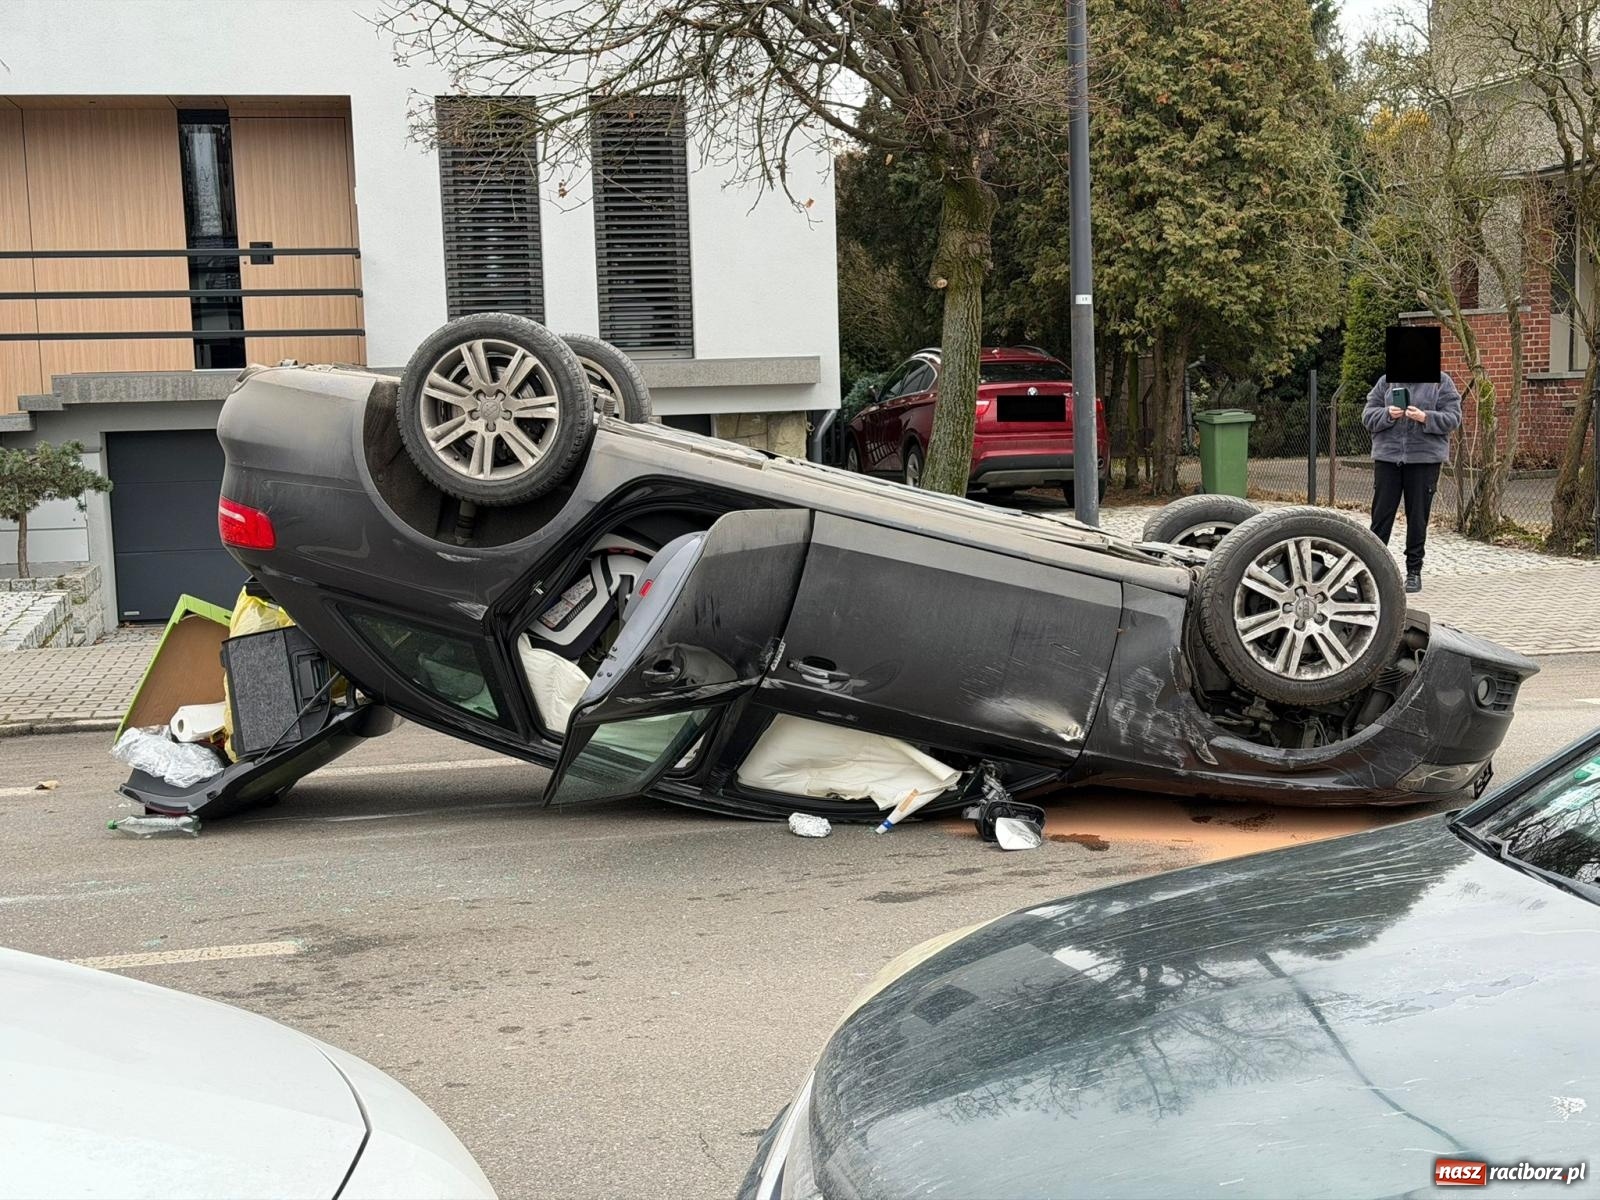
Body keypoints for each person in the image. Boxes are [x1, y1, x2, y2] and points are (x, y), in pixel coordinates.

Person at [1362, 369, 1462, 593]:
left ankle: (1414, 571)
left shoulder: (1441, 382)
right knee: (1380, 517)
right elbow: (1367, 416)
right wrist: (1388, 414)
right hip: (1388, 459)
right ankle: (1369, 569)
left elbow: (1453, 417)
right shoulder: (1385, 382)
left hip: (1424, 460)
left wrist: (1425, 417)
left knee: (1417, 517)